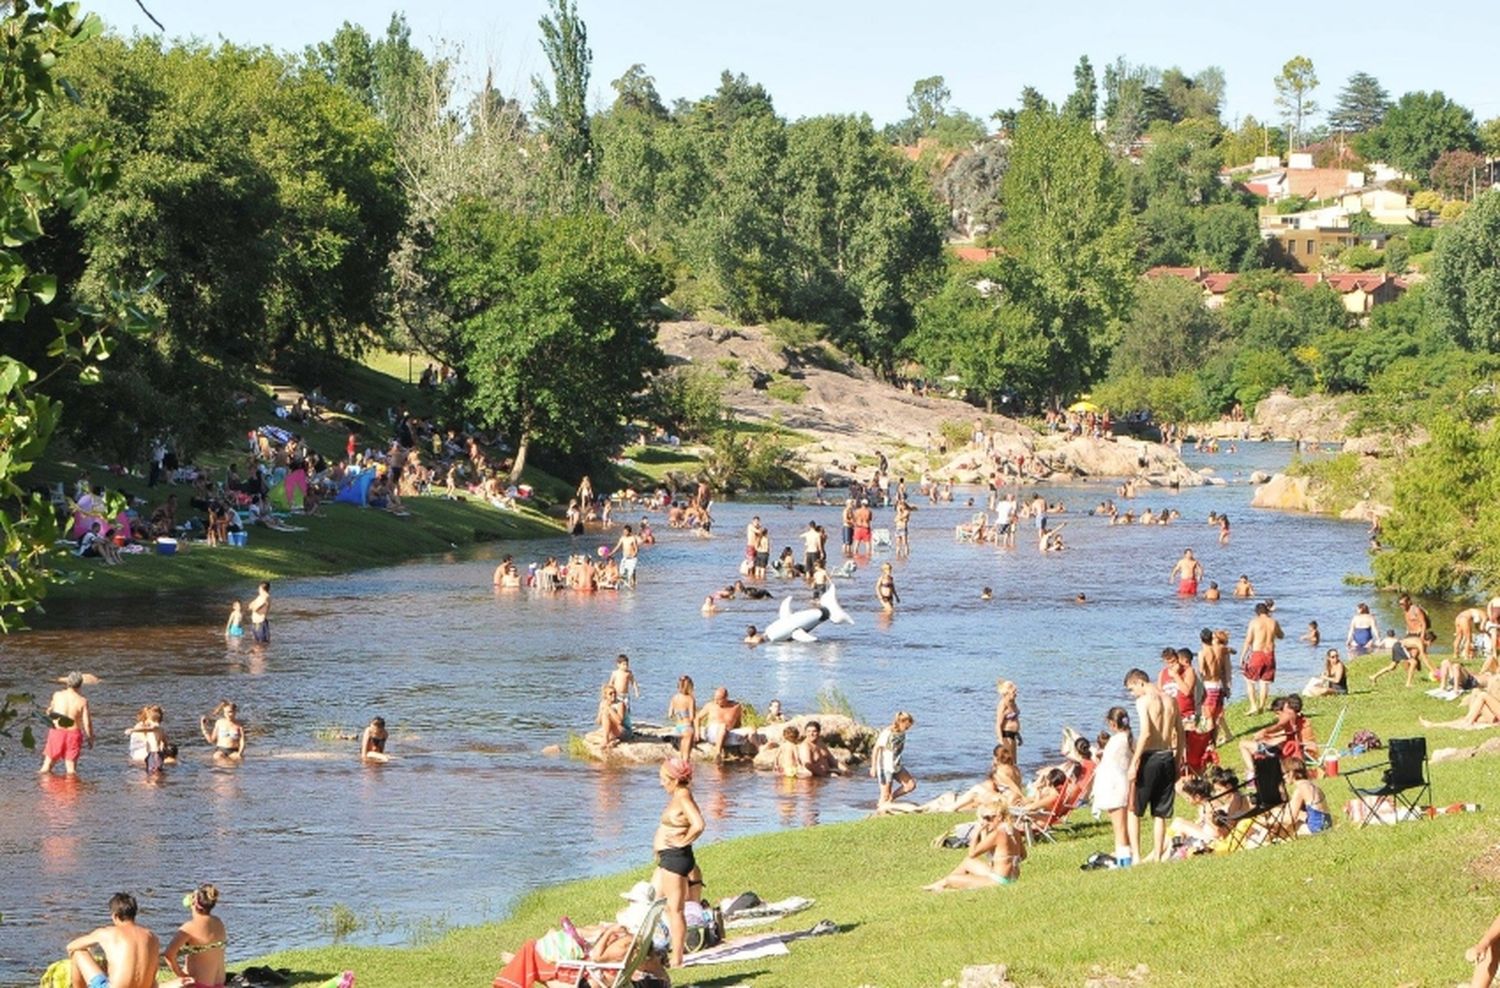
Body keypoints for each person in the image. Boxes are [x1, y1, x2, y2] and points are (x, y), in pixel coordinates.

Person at [1124, 667, 1185, 864]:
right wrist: (1177, 761)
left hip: (1150, 757)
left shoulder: (1143, 701)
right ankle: (1158, 856)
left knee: (1134, 809)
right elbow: (1181, 733)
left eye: (1131, 689)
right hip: (1167, 755)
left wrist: (1134, 762)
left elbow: (1146, 733)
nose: (1133, 694)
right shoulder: (1171, 700)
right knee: (1160, 811)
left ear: (1139, 682)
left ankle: (1137, 856)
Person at [653, 757, 705, 968]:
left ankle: (677, 958)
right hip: (669, 858)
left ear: (674, 779)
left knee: (675, 909)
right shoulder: (678, 795)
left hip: (676, 858)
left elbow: (699, 824)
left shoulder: (683, 796)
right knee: (656, 902)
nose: (661, 783)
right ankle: (665, 946)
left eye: (663, 779)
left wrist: (682, 841)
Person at [922, 796, 1026, 890]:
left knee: (951, 879)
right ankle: (940, 884)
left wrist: (976, 832)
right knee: (968, 862)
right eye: (984, 818)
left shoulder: (998, 834)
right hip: (1011, 877)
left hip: (999, 880)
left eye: (988, 818)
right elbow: (1023, 855)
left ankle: (943, 884)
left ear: (999, 817)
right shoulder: (1013, 831)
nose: (986, 822)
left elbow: (972, 854)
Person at [65, 893, 159, 988]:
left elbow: (70, 946)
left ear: (114, 916)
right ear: (134, 914)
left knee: (78, 953)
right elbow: (153, 979)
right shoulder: (152, 937)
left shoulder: (107, 933)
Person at [163, 884, 227, 988]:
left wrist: (181, 975)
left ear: (194, 902)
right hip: (219, 983)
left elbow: (168, 955)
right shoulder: (218, 922)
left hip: (198, 984)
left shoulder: (189, 928)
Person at [1092, 706, 1134, 866]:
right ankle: (1127, 855)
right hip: (1123, 784)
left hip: (1113, 786)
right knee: (1123, 825)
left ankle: (1124, 861)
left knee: (1119, 827)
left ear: (1112, 723)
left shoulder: (1116, 741)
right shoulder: (1129, 739)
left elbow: (1108, 764)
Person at [39, 672, 94, 776]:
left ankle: (40, 789)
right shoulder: (82, 701)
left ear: (67, 683)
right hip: (73, 734)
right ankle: (72, 790)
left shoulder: (57, 695)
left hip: (56, 732)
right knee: (70, 769)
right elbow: (87, 723)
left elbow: (49, 711)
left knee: (46, 766)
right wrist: (90, 738)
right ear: (80, 684)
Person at [1240, 602, 1284, 715]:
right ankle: (1261, 706)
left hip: (1257, 653)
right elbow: (1281, 636)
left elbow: (1248, 640)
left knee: (1249, 681)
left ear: (1257, 613)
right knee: (1264, 682)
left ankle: (1253, 705)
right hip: (1270, 654)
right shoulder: (1273, 622)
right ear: (1267, 611)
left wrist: (1242, 656)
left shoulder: (1254, 622)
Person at [871, 711, 916, 808]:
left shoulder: (902, 732)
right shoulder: (887, 733)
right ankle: (879, 812)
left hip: (896, 765)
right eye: (907, 725)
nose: (908, 728)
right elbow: (876, 748)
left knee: (910, 785)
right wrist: (873, 767)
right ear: (901, 722)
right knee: (885, 795)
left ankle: (891, 798)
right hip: (885, 767)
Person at [1278, 762, 1332, 837]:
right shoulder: (1310, 784)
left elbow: (1290, 818)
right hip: (1327, 823)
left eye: (1283, 774)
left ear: (1292, 772)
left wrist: (1268, 824)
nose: (1283, 777)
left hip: (1316, 828)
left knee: (1282, 830)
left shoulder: (1300, 789)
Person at [695, 687, 743, 761]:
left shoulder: (736, 707)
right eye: (715, 699)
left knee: (751, 730)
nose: (716, 701)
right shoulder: (710, 705)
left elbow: (738, 723)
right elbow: (697, 718)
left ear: (725, 698)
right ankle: (718, 753)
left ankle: (761, 751)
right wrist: (697, 733)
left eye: (718, 699)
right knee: (722, 726)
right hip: (712, 733)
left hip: (727, 733)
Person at [124, 706, 168, 777]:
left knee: (155, 772)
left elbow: (148, 729)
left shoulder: (155, 726)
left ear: (153, 719)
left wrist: (132, 730)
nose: (147, 722)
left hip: (155, 754)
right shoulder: (161, 729)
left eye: (148, 720)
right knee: (152, 771)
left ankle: (154, 784)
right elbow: (165, 741)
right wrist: (165, 748)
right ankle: (155, 783)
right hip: (153, 754)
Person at [667, 676, 697, 760]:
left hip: (677, 728)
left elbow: (670, 715)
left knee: (680, 755)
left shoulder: (674, 697)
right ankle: (686, 772)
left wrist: (679, 715)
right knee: (686, 756)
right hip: (687, 727)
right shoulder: (690, 699)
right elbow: (692, 717)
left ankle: (679, 771)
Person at [994, 680, 1021, 763]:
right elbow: (998, 725)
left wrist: (1018, 735)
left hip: (1013, 736)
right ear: (1007, 692)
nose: (1016, 694)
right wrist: (1001, 741)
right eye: (1014, 692)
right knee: (1006, 762)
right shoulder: (1003, 704)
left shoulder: (1013, 703)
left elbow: (1015, 720)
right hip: (1006, 736)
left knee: (1014, 762)